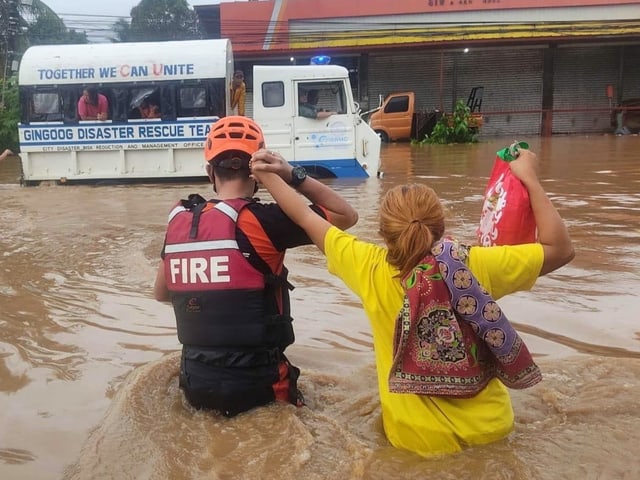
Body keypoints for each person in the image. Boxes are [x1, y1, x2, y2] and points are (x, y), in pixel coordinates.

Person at [250, 148, 575, 457]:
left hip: (415, 441)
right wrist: (529, 178)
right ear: (441, 226)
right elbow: (561, 249)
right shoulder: (476, 265)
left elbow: (305, 218)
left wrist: (273, 174)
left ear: (383, 232)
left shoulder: (368, 267)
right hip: (492, 430)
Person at [153, 116, 358, 417]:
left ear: (210, 171)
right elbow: (346, 215)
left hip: (194, 384)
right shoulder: (267, 221)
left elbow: (161, 293)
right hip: (261, 387)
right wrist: (290, 174)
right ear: (257, 172)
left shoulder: (180, 222)